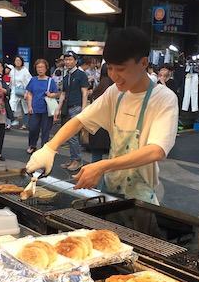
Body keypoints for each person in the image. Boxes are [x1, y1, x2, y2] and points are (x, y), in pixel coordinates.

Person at [27, 27, 179, 204]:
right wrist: (49, 148)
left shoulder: (164, 99)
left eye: (121, 69)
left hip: (141, 196)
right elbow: (79, 120)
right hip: (109, 188)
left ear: (144, 63)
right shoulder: (115, 93)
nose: (114, 76)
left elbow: (156, 150)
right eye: (111, 68)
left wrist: (102, 166)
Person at [54, 50, 89, 172]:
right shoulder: (66, 76)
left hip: (77, 107)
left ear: (75, 61)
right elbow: (62, 94)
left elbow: (85, 93)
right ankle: (73, 158)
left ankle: (77, 160)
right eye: (66, 59)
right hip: (67, 108)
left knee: (73, 135)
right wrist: (57, 109)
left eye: (70, 59)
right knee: (68, 134)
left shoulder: (81, 74)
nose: (68, 62)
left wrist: (84, 110)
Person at [25, 58, 59, 154]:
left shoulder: (50, 81)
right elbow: (30, 93)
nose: (40, 69)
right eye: (38, 67)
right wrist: (30, 106)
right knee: (33, 128)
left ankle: (44, 147)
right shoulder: (33, 80)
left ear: (46, 68)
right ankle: (32, 145)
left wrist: (50, 95)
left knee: (45, 130)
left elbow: (55, 93)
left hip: (47, 110)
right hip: (35, 108)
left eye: (42, 67)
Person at [88, 63, 112, 165]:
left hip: (96, 127)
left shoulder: (99, 87)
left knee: (95, 160)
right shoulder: (115, 87)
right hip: (110, 128)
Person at [10, 55, 33, 130]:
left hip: (24, 90)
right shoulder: (12, 71)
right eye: (16, 60)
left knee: (25, 108)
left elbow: (29, 82)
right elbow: (11, 82)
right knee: (11, 104)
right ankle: (9, 123)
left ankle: (25, 124)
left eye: (19, 60)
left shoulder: (25, 70)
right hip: (15, 90)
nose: (18, 62)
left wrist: (27, 92)